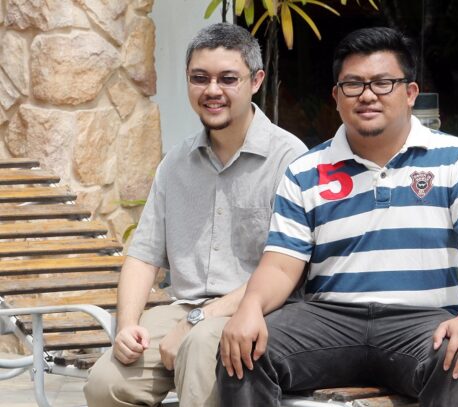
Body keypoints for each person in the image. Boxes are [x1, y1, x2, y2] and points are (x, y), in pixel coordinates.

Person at [217, 26, 458, 407]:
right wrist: (250, 308)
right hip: (328, 320)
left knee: (457, 357)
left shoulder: (455, 158)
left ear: (410, 93)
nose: (368, 95)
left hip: (420, 323)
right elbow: (280, 267)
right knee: (243, 350)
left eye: (383, 83)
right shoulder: (306, 170)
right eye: (353, 84)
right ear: (336, 97)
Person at [84, 23, 307, 407]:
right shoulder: (176, 163)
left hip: (257, 312)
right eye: (199, 78)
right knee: (106, 385)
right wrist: (127, 326)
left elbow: (286, 271)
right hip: (181, 310)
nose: (212, 90)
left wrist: (198, 321)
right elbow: (143, 256)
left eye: (228, 79)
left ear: (256, 81)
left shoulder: (289, 160)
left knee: (200, 350)